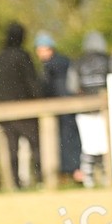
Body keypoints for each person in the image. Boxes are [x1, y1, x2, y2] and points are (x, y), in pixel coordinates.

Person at [0, 22, 42, 188]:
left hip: (4, 112)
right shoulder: (22, 56)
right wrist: (40, 101)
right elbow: (32, 83)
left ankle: (15, 183)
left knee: (12, 149)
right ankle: (40, 179)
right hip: (25, 111)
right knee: (36, 145)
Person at [67, 31, 112, 188]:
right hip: (107, 110)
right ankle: (108, 176)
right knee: (108, 145)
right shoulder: (108, 60)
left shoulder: (78, 62)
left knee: (88, 146)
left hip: (84, 110)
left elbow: (72, 86)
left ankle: (88, 179)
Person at [34, 31, 81, 179]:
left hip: (61, 106)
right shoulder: (64, 61)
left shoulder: (50, 66)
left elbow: (48, 87)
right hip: (70, 104)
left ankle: (71, 172)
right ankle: (74, 171)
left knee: (65, 139)